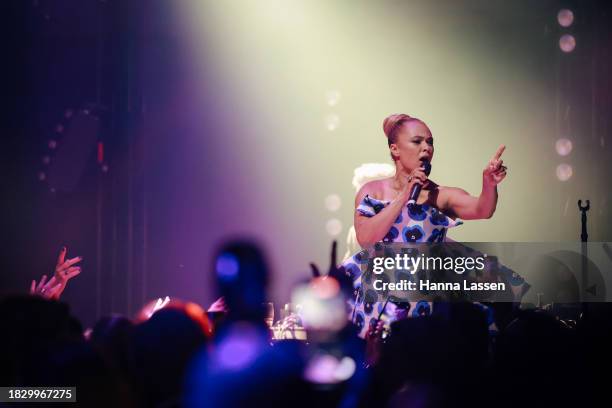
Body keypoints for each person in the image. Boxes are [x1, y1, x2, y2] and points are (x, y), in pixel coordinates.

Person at [342, 113, 508, 337]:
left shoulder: (441, 195)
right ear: (395, 149)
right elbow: (366, 239)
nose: (426, 148)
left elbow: (482, 209)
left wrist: (489, 184)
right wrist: (404, 196)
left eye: (430, 142)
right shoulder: (373, 191)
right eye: (417, 141)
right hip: (380, 298)